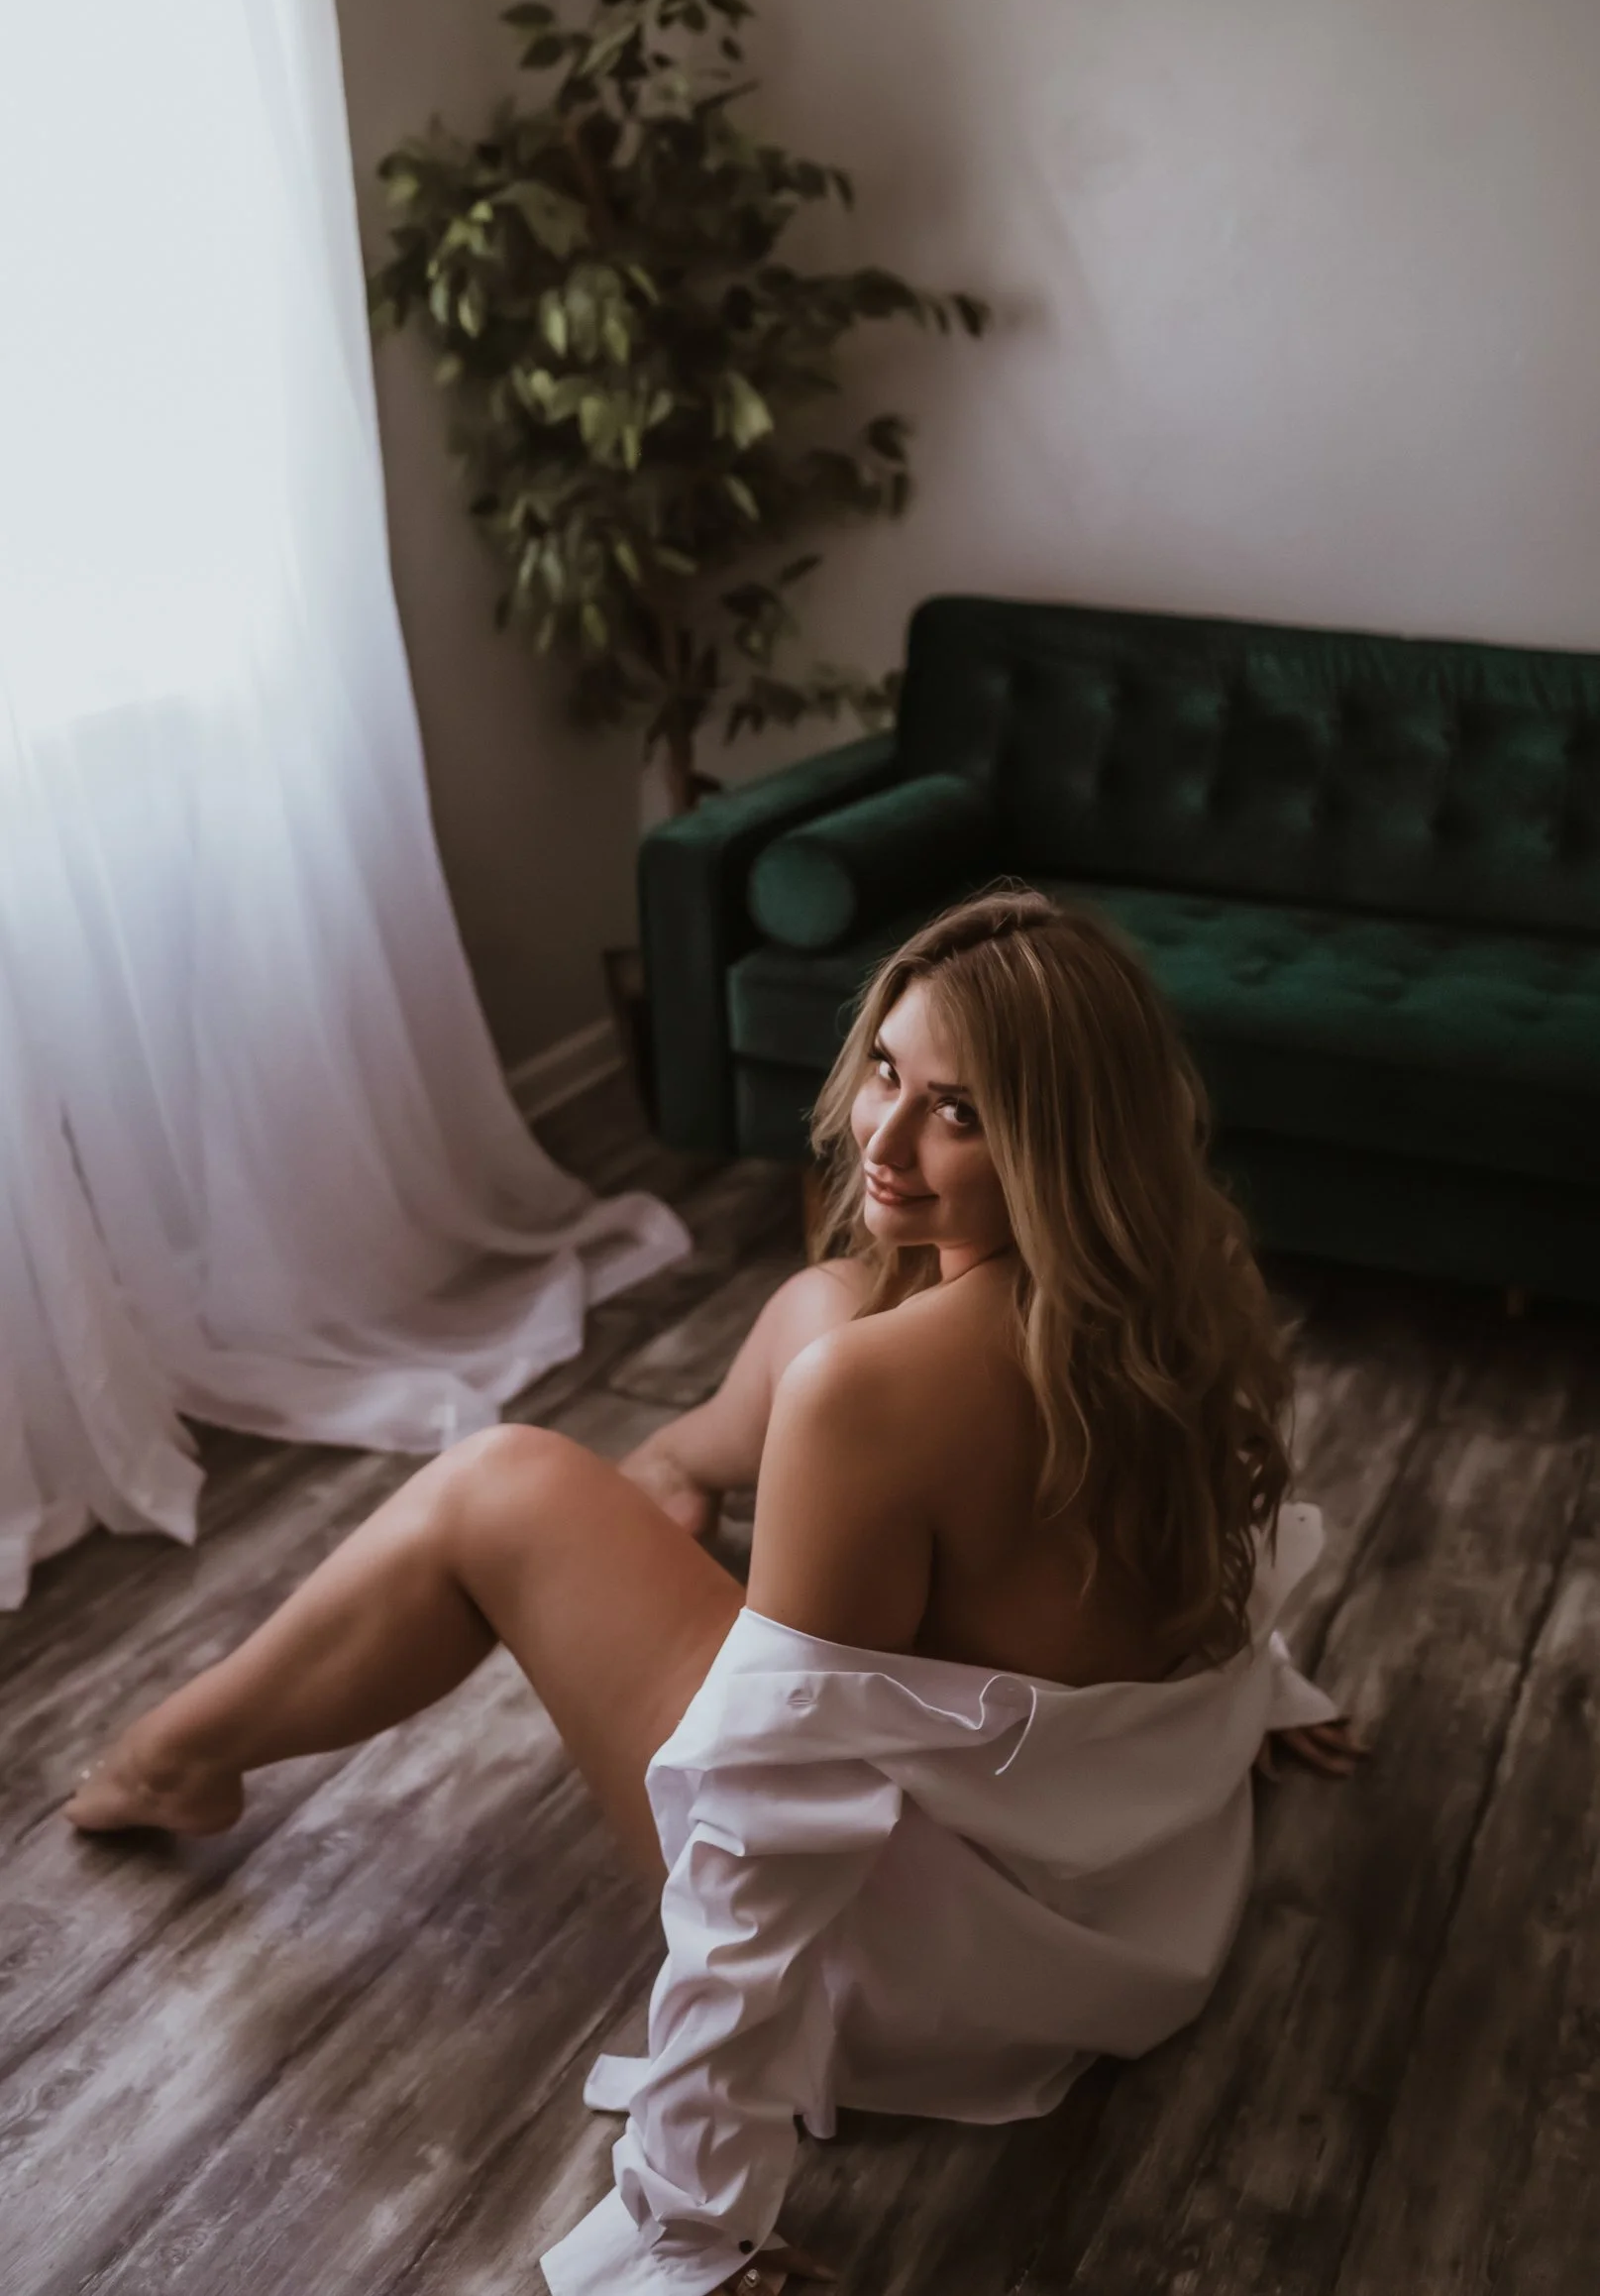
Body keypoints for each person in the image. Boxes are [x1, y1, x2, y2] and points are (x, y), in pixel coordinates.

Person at [65, 888, 1363, 2296]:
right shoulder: (1184, 1273)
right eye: (886, 1071)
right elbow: (1200, 1540)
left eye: (962, 1114)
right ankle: (679, 1469)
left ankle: (168, 1761)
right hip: (1122, 1915)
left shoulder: (871, 1396)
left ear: (1061, 1140)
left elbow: (764, 1830)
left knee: (499, 1478)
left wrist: (690, 2223)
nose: (883, 1137)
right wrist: (1251, 1694)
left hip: (915, 1981)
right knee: (817, 1319)